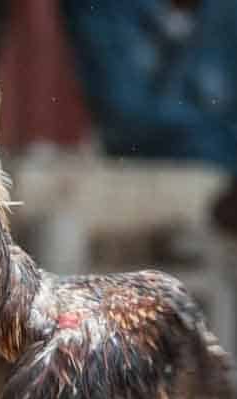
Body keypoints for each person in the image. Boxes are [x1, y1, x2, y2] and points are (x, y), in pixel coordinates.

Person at [61, 0, 237, 233]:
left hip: (208, 169)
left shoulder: (225, 12)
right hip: (140, 177)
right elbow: (127, 120)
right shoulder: (104, 8)